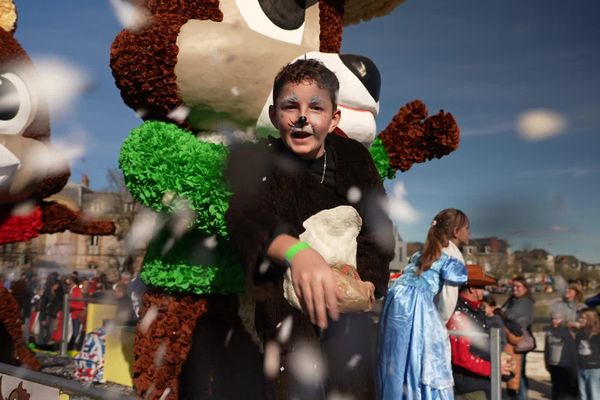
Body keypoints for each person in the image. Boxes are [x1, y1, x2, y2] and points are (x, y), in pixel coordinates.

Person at [225, 58, 394, 399]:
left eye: (315, 107)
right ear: (275, 116)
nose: (303, 117)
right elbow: (244, 219)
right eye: (291, 106)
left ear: (333, 119)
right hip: (285, 316)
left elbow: (378, 232)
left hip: (350, 317)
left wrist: (365, 285)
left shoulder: (355, 160)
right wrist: (296, 251)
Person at [377, 208, 469, 399]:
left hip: (395, 296)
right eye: (467, 228)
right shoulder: (453, 255)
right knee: (421, 358)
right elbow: (448, 299)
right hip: (416, 302)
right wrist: (438, 325)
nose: (469, 233)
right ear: (456, 231)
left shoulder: (424, 250)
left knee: (398, 355)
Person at [447, 265, 512, 400]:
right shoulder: (459, 315)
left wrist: (497, 361)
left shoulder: (471, 311)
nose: (484, 292)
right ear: (472, 288)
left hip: (477, 382)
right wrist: (493, 368)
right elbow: (461, 357)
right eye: (482, 287)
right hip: (469, 386)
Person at [501, 277, 535, 400]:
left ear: (525, 288)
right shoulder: (514, 300)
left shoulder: (525, 302)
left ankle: (521, 397)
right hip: (512, 340)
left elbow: (508, 315)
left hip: (518, 340)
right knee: (516, 371)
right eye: (513, 286)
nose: (515, 288)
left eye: (518, 286)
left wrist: (500, 313)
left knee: (518, 373)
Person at [544, 310, 577, 400]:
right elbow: (547, 350)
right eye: (553, 319)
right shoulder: (549, 333)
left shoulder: (569, 333)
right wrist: (546, 363)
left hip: (566, 365)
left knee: (566, 392)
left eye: (557, 319)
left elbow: (573, 352)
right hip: (553, 364)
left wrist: (574, 368)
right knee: (556, 389)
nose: (554, 321)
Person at [574, 308, 600, 400]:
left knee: (594, 395)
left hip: (595, 370)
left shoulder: (597, 334)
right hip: (581, 368)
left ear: (591, 319)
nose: (579, 319)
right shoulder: (579, 334)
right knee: (583, 395)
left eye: (582, 318)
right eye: (579, 317)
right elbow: (577, 350)